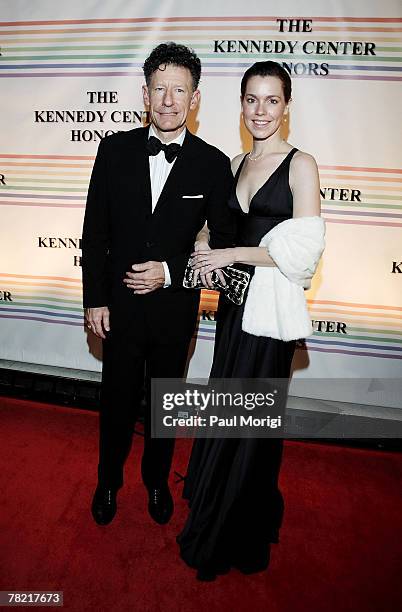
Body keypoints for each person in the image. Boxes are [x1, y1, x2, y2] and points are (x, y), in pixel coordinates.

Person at [177, 61, 325, 580]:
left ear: (286, 107)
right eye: (251, 100)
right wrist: (202, 249)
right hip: (235, 309)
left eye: (271, 100)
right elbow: (218, 236)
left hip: (271, 319)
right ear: (240, 105)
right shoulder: (237, 162)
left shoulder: (300, 164)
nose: (260, 110)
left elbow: (303, 252)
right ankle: (216, 502)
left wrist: (231, 252)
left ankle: (235, 530)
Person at [81, 42, 236, 527]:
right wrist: (95, 299)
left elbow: (224, 244)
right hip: (119, 310)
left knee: (165, 405)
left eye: (180, 90)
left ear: (195, 99)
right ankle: (108, 480)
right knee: (116, 401)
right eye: (159, 89)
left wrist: (170, 271)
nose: (169, 100)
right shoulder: (114, 149)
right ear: (144, 95)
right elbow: (95, 232)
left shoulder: (212, 164)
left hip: (174, 313)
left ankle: (155, 482)